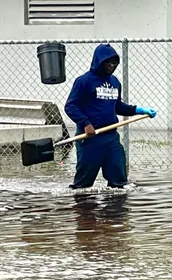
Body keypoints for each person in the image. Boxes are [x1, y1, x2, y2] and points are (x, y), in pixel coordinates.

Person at [64, 43, 156, 189]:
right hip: (90, 138)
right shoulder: (84, 81)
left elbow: (117, 106)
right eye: (108, 62)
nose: (111, 65)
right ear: (99, 61)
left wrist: (139, 110)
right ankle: (84, 210)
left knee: (119, 181)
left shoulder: (115, 82)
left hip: (111, 138)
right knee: (83, 184)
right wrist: (86, 124)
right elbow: (70, 106)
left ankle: (115, 211)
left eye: (114, 62)